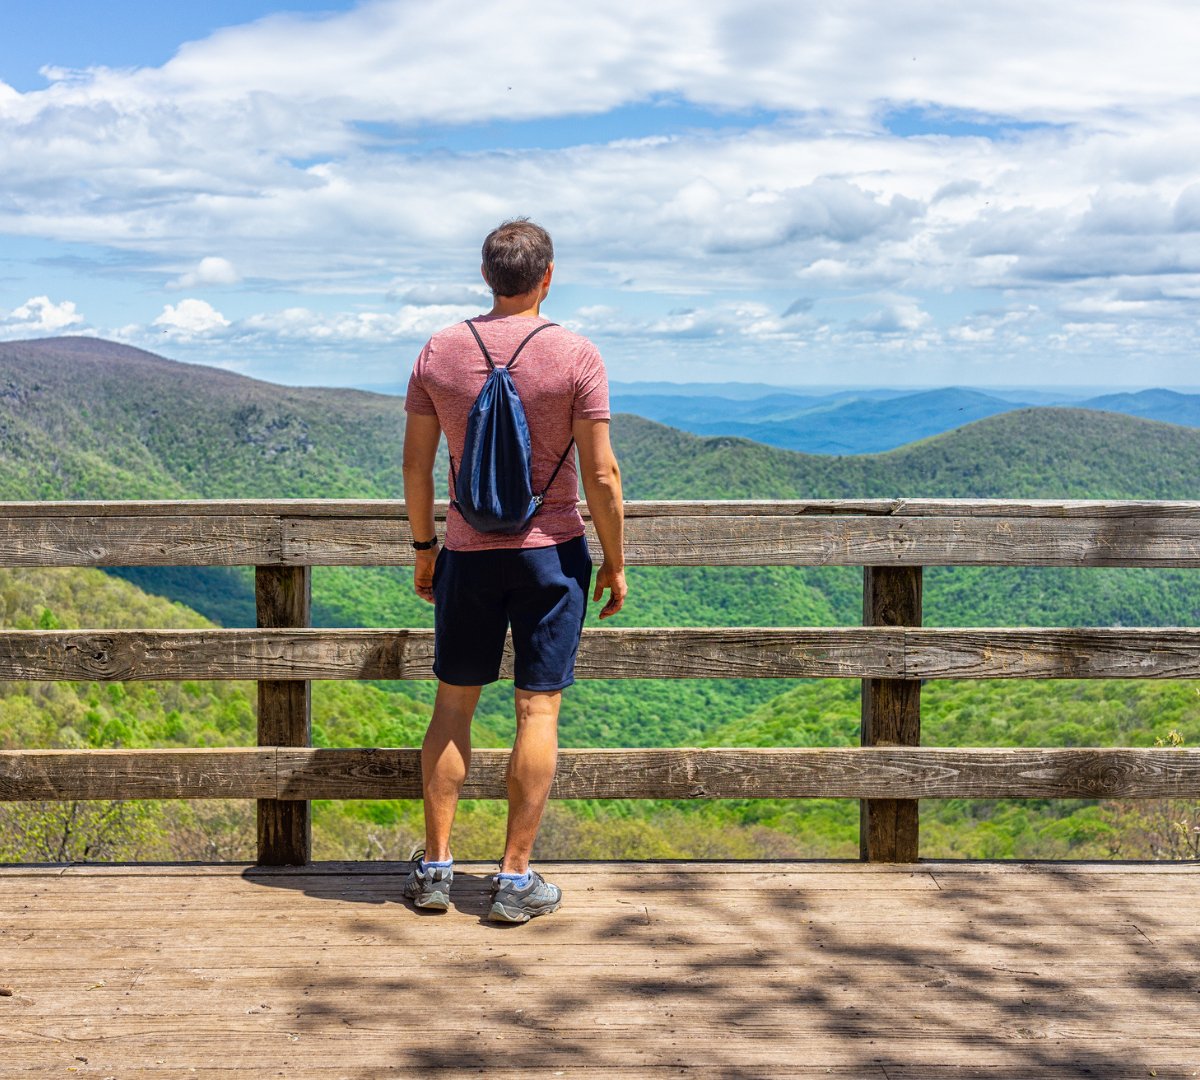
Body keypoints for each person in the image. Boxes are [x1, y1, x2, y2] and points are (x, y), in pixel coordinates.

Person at [401, 218, 627, 923]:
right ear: (548, 276)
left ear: (485, 275)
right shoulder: (575, 354)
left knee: (451, 707)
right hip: (551, 554)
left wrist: (423, 547)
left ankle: (436, 869)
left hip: (466, 554)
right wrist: (616, 564)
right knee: (538, 710)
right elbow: (603, 474)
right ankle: (512, 879)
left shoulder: (440, 351)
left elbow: (415, 464)